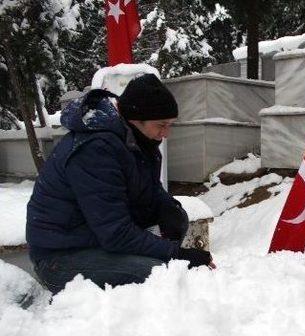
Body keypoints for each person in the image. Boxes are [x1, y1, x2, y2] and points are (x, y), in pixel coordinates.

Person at [26, 74, 214, 295]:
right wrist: (176, 254)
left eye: (170, 125)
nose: (166, 133)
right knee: (158, 274)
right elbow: (116, 233)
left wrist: (168, 209)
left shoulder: (137, 140)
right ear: (135, 118)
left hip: (96, 241)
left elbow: (150, 188)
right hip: (61, 256)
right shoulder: (96, 150)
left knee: (175, 218)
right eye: (161, 125)